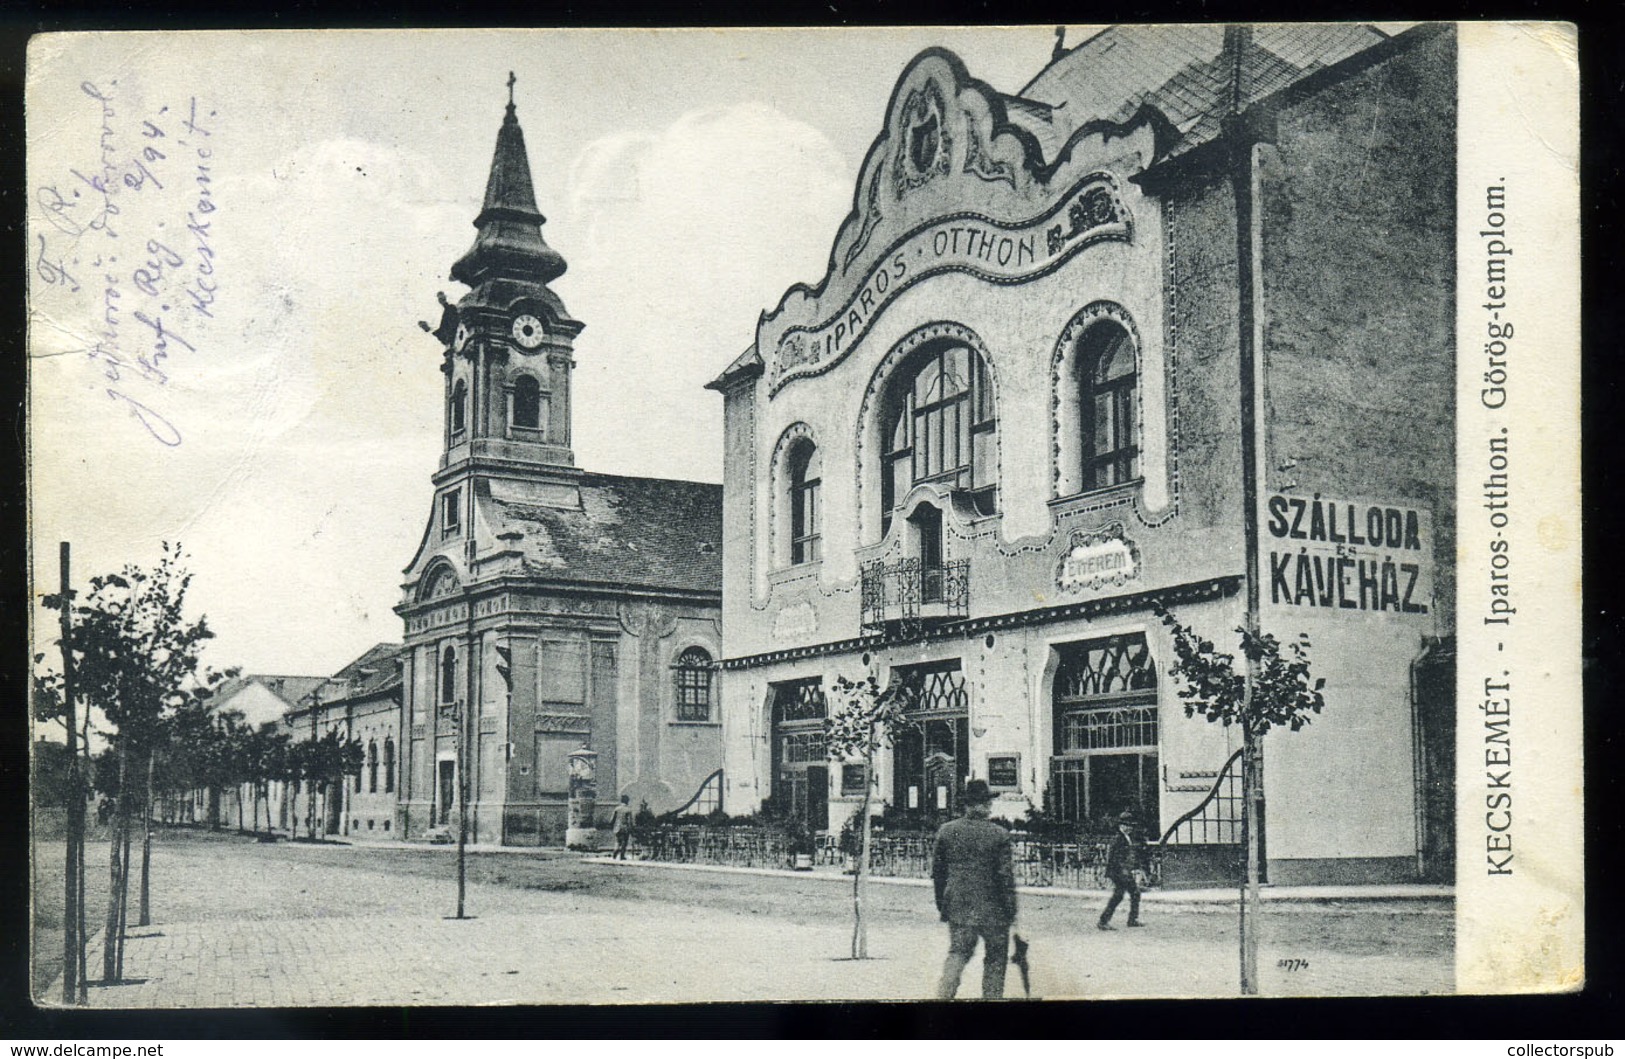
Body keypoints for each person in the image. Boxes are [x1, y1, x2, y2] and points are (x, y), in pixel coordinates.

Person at [932, 778, 1017, 999]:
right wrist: (1011, 909)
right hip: (994, 909)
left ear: (965, 805)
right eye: (986, 802)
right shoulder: (999, 834)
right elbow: (1004, 877)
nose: (988, 807)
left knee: (957, 954)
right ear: (982, 805)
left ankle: (942, 999)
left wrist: (944, 904)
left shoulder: (946, 831)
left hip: (959, 906)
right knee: (996, 959)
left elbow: (938, 875)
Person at [1098, 810, 1144, 930]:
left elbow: (1128, 856)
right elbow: (1115, 858)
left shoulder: (1126, 837)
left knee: (1130, 894)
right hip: (1118, 872)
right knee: (1125, 895)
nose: (1130, 828)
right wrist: (1123, 872)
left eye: (1131, 825)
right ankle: (1105, 921)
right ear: (1121, 826)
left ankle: (1131, 920)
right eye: (1127, 825)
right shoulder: (1118, 839)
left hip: (1123, 871)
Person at [609, 794, 635, 860]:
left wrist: (612, 825)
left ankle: (615, 853)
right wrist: (631, 828)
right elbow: (629, 821)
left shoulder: (617, 809)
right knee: (624, 842)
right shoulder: (628, 810)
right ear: (627, 801)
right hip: (625, 828)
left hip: (617, 828)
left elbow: (611, 820)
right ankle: (622, 856)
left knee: (617, 841)